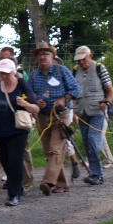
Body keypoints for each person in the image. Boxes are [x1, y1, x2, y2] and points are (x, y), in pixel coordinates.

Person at [0, 59, 39, 206]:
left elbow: (36, 108)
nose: (3, 76)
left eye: (6, 73)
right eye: (1, 73)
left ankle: (13, 194)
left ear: (13, 72)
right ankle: (19, 187)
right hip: (0, 130)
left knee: (15, 161)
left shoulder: (22, 85)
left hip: (18, 130)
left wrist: (25, 104)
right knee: (5, 161)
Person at [28, 43, 81, 196]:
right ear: (37, 58)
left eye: (46, 54)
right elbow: (29, 95)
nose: (42, 57)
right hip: (43, 117)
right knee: (48, 151)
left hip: (61, 115)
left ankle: (48, 181)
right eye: (39, 54)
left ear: (52, 56)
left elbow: (76, 88)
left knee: (56, 148)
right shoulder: (33, 75)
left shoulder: (61, 70)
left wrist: (64, 99)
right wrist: (37, 100)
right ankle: (62, 184)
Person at [72, 46, 113, 186]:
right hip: (82, 113)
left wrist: (107, 103)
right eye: (79, 60)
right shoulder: (74, 71)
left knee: (93, 140)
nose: (81, 62)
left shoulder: (99, 68)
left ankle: (97, 174)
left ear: (90, 55)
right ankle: (94, 174)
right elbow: (72, 93)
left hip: (97, 113)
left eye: (83, 59)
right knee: (87, 142)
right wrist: (72, 111)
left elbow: (110, 91)